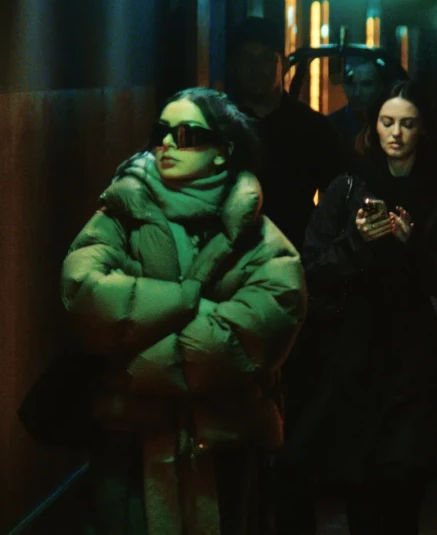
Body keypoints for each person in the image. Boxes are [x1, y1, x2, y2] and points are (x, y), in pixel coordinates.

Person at [60, 87, 308, 535]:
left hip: (224, 448)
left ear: (222, 151)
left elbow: (261, 328)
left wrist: (139, 347)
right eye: (161, 131)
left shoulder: (256, 234)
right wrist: (189, 299)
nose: (167, 144)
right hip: (130, 446)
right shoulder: (120, 213)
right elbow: (85, 297)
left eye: (187, 135)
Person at [275, 79, 437, 535]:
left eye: (407, 124)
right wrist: (357, 241)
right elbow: (313, 265)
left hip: (411, 348)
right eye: (387, 122)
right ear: (373, 126)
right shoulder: (347, 188)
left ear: (423, 129)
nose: (396, 133)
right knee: (357, 475)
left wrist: (410, 243)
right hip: (352, 346)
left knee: (404, 476)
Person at [226, 16, 343, 252]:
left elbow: (338, 196)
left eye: (266, 59)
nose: (256, 67)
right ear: (235, 66)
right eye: (247, 59)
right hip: (231, 252)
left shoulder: (312, 126)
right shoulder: (221, 124)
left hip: (297, 251)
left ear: (285, 64)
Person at [327, 58, 386, 158]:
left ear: (380, 86)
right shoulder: (329, 127)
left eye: (366, 84)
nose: (357, 93)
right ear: (343, 86)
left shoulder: (390, 126)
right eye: (351, 84)